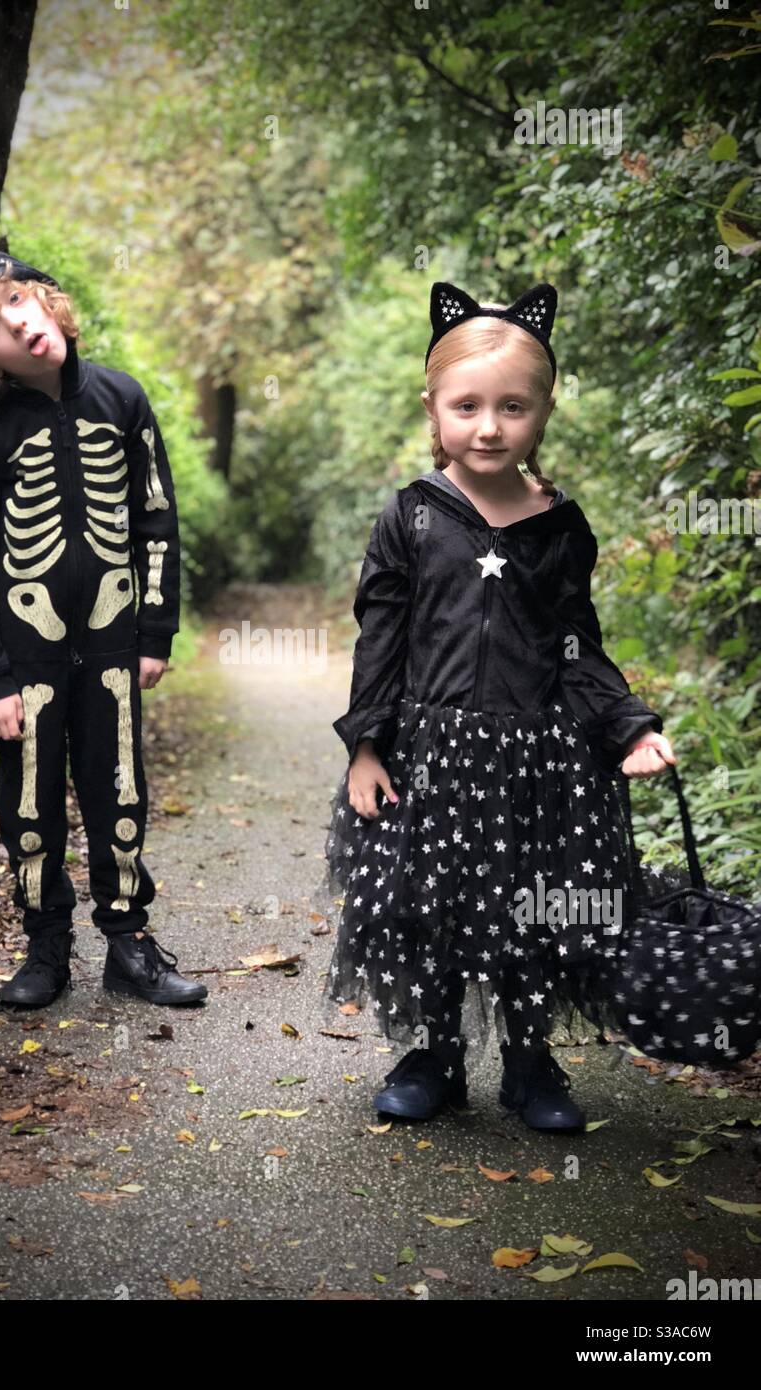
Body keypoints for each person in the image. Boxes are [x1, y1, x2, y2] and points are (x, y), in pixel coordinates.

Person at [322, 281, 675, 1131]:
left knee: (532, 908)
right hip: (429, 757)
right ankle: (432, 1055)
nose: (488, 426)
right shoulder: (410, 518)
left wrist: (628, 727)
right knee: (430, 909)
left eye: (512, 407)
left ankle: (528, 1060)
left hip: (537, 764)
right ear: (433, 409)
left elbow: (577, 646)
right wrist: (365, 749)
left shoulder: (558, 527)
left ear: (542, 411)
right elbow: (380, 641)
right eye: (468, 406)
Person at [0, 243, 207, 1010]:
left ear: (44, 298)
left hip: (114, 638)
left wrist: (156, 631)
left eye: (17, 303)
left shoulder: (122, 399)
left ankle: (128, 942)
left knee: (119, 788)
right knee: (29, 800)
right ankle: (45, 949)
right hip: (27, 651)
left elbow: (155, 518)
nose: (16, 328)